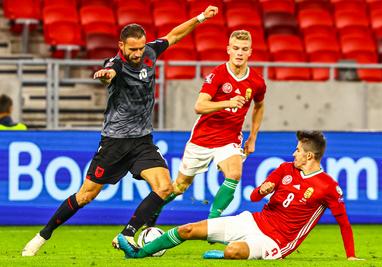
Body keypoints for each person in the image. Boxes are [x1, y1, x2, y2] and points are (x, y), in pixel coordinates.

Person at [21, 6, 219, 256]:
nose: (137, 53)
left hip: (142, 141)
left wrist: (200, 17)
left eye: (140, 48)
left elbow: (175, 35)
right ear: (121, 46)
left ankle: (127, 233)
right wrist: (106, 76)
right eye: (132, 49)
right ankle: (42, 235)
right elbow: (109, 74)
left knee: (165, 187)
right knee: (85, 195)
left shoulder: (149, 52)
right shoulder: (115, 63)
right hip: (114, 142)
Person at [117, 131, 362, 261]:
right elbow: (255, 197)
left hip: (276, 243)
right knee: (187, 230)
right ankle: (137, 253)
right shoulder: (285, 169)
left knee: (234, 251)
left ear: (310, 156)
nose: (294, 153)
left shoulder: (328, 186)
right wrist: (262, 190)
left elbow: (344, 222)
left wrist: (350, 256)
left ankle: (222, 254)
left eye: (298, 150)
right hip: (253, 220)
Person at [148, 29, 266, 226]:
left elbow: (259, 106)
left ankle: (212, 222)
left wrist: (253, 136)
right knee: (179, 186)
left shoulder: (257, 81)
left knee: (234, 174)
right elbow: (199, 106)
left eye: (244, 49)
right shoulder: (217, 74)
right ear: (228, 49)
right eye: (235, 48)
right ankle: (154, 209)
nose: (239, 53)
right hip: (202, 138)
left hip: (229, 138)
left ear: (250, 52)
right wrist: (227, 102)